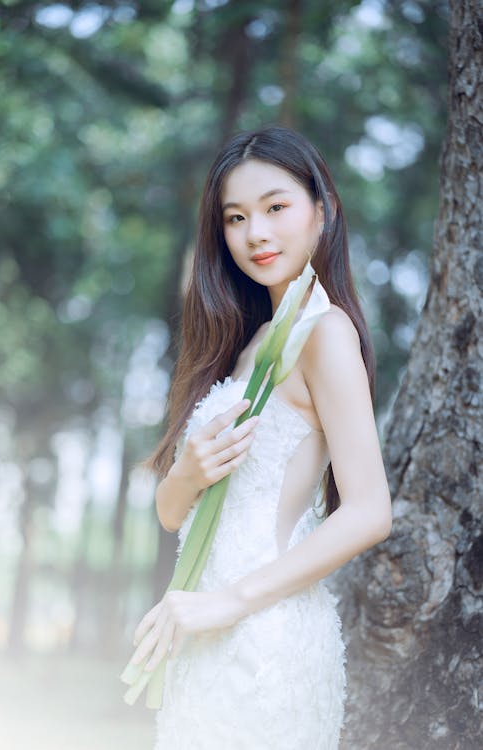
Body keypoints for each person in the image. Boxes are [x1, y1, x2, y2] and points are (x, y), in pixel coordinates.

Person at [132, 126, 392, 749]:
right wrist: (188, 474)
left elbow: (370, 511)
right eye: (236, 217)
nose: (256, 234)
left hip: (263, 632)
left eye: (276, 207)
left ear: (321, 211)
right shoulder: (244, 342)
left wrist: (232, 602)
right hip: (200, 631)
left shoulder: (324, 333)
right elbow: (173, 516)